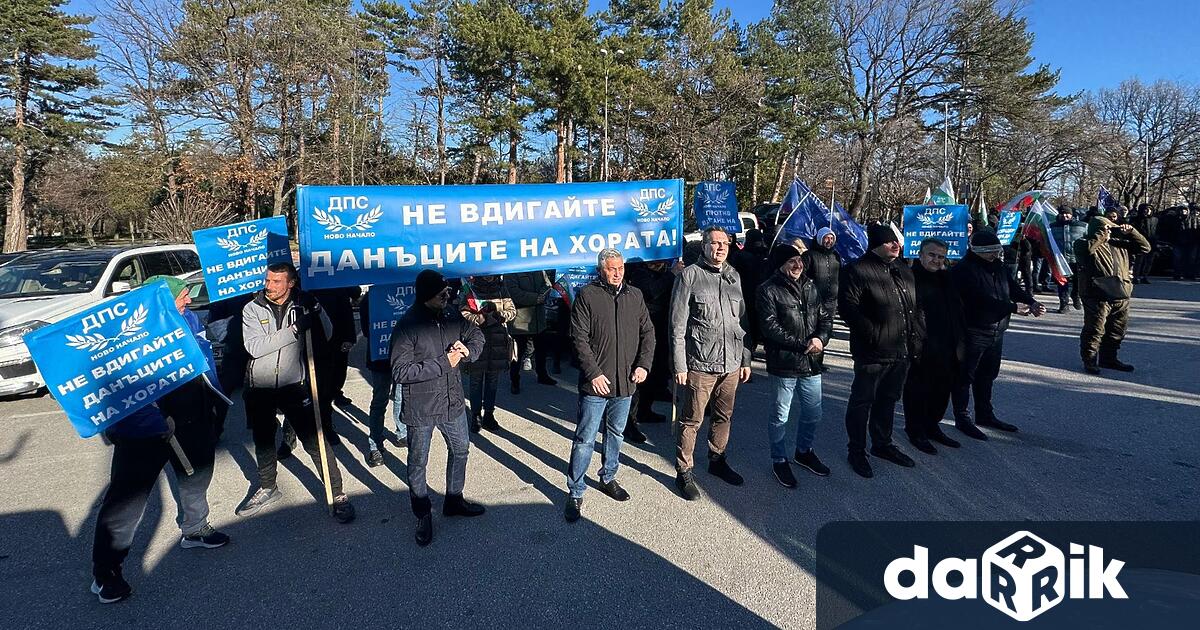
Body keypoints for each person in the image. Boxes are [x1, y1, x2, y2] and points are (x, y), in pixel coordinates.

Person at [90, 276, 230, 604]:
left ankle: (195, 529)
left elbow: (203, 362)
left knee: (197, 475)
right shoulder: (129, 335)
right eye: (181, 297)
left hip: (192, 418)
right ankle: (106, 572)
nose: (187, 302)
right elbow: (120, 392)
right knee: (127, 502)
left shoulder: (188, 319)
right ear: (161, 300)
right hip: (143, 431)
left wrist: (214, 402)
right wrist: (153, 422)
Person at [237, 262, 355, 523]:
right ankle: (268, 486)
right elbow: (255, 347)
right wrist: (294, 330)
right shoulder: (252, 308)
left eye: (276, 282)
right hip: (260, 386)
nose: (269, 286)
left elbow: (328, 333)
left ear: (290, 283)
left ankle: (337, 494)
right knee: (264, 439)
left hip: (294, 384)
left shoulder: (302, 305)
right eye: (267, 281)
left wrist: (317, 309)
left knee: (316, 441)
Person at [391, 269, 486, 546]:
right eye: (441, 294)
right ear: (426, 297)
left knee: (461, 449)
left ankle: (454, 500)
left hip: (453, 402)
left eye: (448, 292)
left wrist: (468, 351)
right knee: (418, 461)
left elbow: (476, 335)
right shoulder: (408, 326)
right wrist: (445, 362)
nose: (448, 296)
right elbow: (400, 372)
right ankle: (422, 513)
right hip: (421, 407)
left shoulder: (450, 314)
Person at [564, 249, 655, 522]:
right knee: (585, 438)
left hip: (625, 383)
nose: (617, 273)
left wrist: (643, 365)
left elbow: (648, 332)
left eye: (620, 268)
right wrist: (593, 373)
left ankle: (609, 477)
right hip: (596, 385)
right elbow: (578, 338)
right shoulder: (587, 296)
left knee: (616, 434)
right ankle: (576, 491)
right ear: (600, 270)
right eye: (612, 269)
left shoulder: (634, 295)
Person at [669, 226, 753, 500]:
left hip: (730, 364)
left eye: (725, 243)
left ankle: (717, 459)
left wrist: (745, 359)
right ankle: (684, 471)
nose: (720, 248)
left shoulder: (733, 276)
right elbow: (677, 326)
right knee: (691, 420)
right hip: (700, 364)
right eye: (715, 243)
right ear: (703, 245)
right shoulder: (689, 276)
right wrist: (680, 366)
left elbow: (742, 322)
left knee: (723, 416)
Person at [838, 224, 924, 478]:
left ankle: (882, 444)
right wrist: (873, 334)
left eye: (896, 241)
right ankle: (857, 450)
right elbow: (848, 309)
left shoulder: (903, 270)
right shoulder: (857, 269)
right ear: (876, 244)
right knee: (862, 402)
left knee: (888, 400)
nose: (896, 245)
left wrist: (918, 335)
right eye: (889, 242)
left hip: (902, 350)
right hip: (872, 351)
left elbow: (915, 307)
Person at [950, 230, 1045, 440]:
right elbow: (978, 299)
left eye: (996, 251)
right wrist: (1011, 307)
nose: (994, 255)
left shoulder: (997, 266)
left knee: (987, 375)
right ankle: (962, 417)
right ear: (978, 251)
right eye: (990, 252)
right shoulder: (963, 270)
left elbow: (1012, 287)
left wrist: (1031, 302)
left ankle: (985, 414)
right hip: (973, 331)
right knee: (965, 376)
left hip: (997, 330)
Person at [757, 243, 833, 488]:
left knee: (813, 412)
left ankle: (804, 451)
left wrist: (821, 339)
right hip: (785, 364)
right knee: (780, 415)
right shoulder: (768, 290)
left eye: (799, 260)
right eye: (791, 261)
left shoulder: (811, 287)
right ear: (780, 264)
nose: (798, 265)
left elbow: (824, 317)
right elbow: (770, 327)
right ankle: (779, 459)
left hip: (811, 362)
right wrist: (802, 345)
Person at [902, 239, 966, 454]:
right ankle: (915, 430)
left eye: (940, 256)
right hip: (922, 345)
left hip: (948, 344)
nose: (936, 260)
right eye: (932, 255)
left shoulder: (946, 277)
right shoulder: (910, 277)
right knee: (918, 390)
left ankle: (932, 426)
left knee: (942, 390)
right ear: (920, 254)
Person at [1075, 215, 1151, 375]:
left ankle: (1109, 358)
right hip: (1097, 294)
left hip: (1121, 293)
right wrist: (1102, 235)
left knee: (1117, 329)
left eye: (1110, 227)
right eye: (1105, 228)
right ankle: (1090, 359)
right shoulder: (1083, 243)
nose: (1109, 231)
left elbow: (1145, 248)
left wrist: (1132, 232)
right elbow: (1088, 250)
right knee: (1095, 328)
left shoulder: (1119, 244)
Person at [624, 259, 676, 442]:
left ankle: (646, 410)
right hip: (644, 330)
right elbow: (651, 292)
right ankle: (629, 421)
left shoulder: (666, 273)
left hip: (663, 329)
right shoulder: (639, 272)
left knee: (656, 374)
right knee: (640, 376)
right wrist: (672, 275)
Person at [459, 274, 516, 432]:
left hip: (498, 341)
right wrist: (480, 319)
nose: (490, 278)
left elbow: (512, 311)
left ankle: (489, 414)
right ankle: (475, 415)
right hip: (477, 339)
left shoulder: (501, 289)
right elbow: (463, 311)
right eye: (487, 275)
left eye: (492, 275)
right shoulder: (471, 289)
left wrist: (499, 315)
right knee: (476, 380)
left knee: (492, 380)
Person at [358, 288, 407, 467]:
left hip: (403, 357)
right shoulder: (370, 298)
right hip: (380, 358)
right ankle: (375, 445)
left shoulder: (406, 292)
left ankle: (402, 433)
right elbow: (366, 330)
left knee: (401, 397)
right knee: (380, 400)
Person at [504, 270, 556, 393]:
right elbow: (514, 293)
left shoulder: (537, 268)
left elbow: (547, 284)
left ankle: (542, 375)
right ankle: (514, 381)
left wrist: (543, 295)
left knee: (541, 350)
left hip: (538, 319)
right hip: (520, 321)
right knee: (517, 353)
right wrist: (536, 298)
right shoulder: (512, 271)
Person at [313, 286, 362, 408]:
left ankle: (336, 392)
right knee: (320, 368)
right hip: (317, 330)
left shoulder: (339, 274)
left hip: (341, 329)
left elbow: (355, 291)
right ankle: (321, 396)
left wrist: (350, 337)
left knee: (339, 366)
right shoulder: (309, 274)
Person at [1050, 206, 1088, 313]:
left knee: (1078, 282)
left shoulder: (1082, 226)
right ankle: (1064, 304)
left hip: (1078, 259)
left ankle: (1075, 295)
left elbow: (1089, 240)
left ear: (1071, 214)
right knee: (1062, 283)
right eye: (1062, 214)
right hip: (1060, 260)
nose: (1065, 215)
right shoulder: (1052, 227)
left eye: (1067, 213)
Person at [802, 227, 841, 318]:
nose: (829, 241)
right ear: (820, 239)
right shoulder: (809, 255)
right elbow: (802, 273)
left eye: (832, 239)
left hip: (832, 298)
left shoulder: (835, 255)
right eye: (827, 238)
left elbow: (839, 274)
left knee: (828, 323)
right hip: (814, 297)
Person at [1130, 203, 1158, 284]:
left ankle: (1144, 276)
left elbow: (1158, 230)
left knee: (1149, 261)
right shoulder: (1136, 219)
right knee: (1139, 261)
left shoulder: (1155, 220)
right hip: (1140, 243)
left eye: (1150, 209)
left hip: (1152, 242)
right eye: (1146, 209)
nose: (1148, 211)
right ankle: (1136, 276)